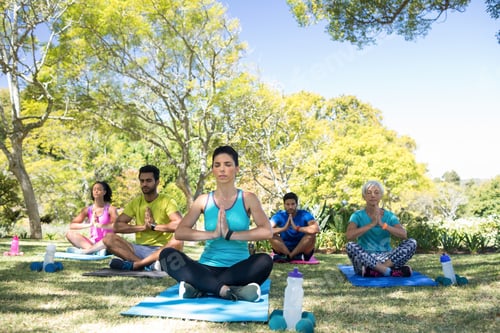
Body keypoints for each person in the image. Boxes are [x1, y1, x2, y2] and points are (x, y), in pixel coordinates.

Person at [159, 145, 273, 302]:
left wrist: (230, 234)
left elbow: (267, 231)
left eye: (228, 164)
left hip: (238, 269)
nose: (222, 169)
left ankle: (203, 287)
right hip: (206, 267)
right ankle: (227, 290)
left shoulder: (248, 198)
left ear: (237, 169)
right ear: (212, 169)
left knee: (265, 261)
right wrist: (212, 234)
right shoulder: (203, 200)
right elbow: (180, 232)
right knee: (166, 255)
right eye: (217, 165)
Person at [103, 165, 183, 271]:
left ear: (157, 181)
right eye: (142, 181)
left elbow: (180, 225)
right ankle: (147, 265)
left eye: (149, 180)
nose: (144, 184)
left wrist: (154, 226)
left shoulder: (167, 201)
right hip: (139, 249)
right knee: (108, 238)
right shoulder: (136, 202)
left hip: (162, 250)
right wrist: (143, 227)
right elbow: (117, 226)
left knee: (178, 241)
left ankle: (137, 264)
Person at [345, 180, 417, 277]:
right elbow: (349, 236)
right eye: (369, 193)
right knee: (350, 246)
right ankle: (389, 271)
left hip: (387, 258)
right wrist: (372, 224)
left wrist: (383, 225)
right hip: (365, 258)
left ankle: (378, 270)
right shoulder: (357, 215)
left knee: (412, 242)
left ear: (381, 196)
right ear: (364, 196)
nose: (373, 195)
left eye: (376, 192)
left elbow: (403, 234)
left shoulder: (389, 216)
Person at [66, 181, 118, 255]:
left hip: (107, 241)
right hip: (93, 242)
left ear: (104, 192)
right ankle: (95, 251)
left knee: (110, 239)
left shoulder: (111, 209)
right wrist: (90, 224)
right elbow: (72, 225)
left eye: (99, 189)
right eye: (94, 189)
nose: (96, 191)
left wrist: (98, 225)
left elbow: (117, 227)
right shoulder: (87, 210)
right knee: (69, 234)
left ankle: (90, 251)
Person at [269, 192, 320, 262]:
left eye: (293, 204)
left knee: (312, 235)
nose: (290, 207)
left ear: (296, 204)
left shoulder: (304, 214)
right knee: (270, 235)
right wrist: (284, 228)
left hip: (302, 248)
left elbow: (316, 229)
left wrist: (297, 228)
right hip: (284, 248)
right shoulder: (279, 215)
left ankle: (289, 257)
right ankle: (290, 256)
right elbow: (266, 230)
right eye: (287, 204)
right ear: (284, 205)